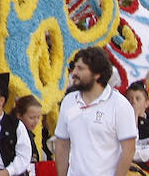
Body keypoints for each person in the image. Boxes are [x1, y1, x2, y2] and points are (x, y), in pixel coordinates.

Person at [53, 47, 136, 176]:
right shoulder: (69, 102)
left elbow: (129, 150)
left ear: (97, 74)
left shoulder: (120, 105)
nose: (74, 72)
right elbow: (62, 144)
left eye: (80, 68)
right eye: (75, 67)